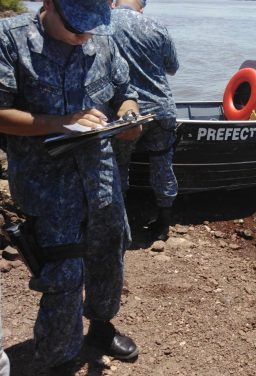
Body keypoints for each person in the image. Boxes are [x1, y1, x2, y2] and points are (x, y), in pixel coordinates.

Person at [0, 0, 141, 373]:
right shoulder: (10, 39)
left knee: (108, 256)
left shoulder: (102, 38)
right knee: (63, 274)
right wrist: (60, 122)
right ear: (49, 4)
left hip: (100, 177)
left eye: (91, 26)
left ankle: (100, 328)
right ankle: (59, 356)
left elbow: (124, 91)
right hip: (46, 184)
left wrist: (129, 115)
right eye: (76, 25)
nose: (84, 36)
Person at [111, 0, 179, 241]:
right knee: (162, 163)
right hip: (162, 108)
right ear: (141, 6)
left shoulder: (104, 23)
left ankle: (119, 222)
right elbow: (173, 67)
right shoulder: (157, 26)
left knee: (119, 165)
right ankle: (163, 223)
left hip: (126, 112)